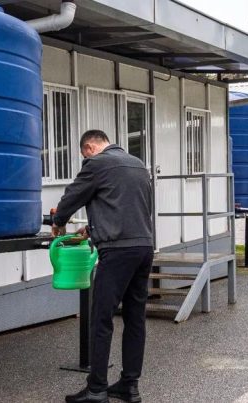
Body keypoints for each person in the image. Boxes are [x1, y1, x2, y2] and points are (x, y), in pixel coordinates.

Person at [53, 130, 153, 403]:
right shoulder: (137, 164)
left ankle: (97, 389)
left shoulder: (97, 164)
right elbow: (129, 208)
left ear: (89, 148)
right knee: (134, 318)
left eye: (83, 155)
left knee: (101, 318)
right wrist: (92, 227)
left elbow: (72, 196)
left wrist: (58, 221)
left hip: (118, 251)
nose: (84, 160)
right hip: (144, 247)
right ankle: (129, 386)